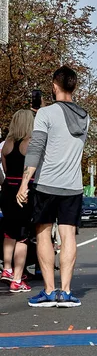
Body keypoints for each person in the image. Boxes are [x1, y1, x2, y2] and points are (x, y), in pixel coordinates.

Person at [17, 66, 89, 308]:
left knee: (43, 233)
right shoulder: (85, 117)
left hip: (47, 183)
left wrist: (24, 183)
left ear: (54, 86)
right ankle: (66, 292)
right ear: (74, 87)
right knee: (68, 235)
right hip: (73, 185)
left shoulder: (45, 114)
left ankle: (49, 291)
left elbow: (36, 148)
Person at [1, 110, 35, 292]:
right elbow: (32, 170)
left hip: (8, 189)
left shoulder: (7, 144)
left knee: (9, 231)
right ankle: (17, 279)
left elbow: (6, 170)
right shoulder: (30, 144)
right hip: (24, 190)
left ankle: (7, 268)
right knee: (23, 235)